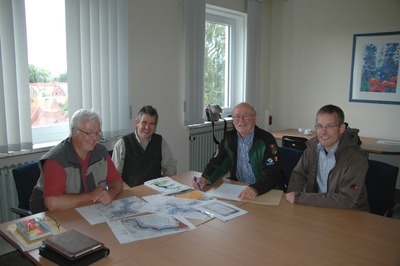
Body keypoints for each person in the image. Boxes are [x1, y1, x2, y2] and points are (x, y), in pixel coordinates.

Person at [29, 109, 123, 213]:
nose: (96, 138)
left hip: (85, 210)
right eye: (90, 133)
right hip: (51, 216)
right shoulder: (56, 160)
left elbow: (117, 181)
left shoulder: (101, 152)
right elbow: (52, 203)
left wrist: (111, 194)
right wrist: (91, 196)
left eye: (98, 132)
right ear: (74, 132)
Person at [286, 104, 369, 211]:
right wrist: (294, 204)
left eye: (330, 126)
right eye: (319, 126)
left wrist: (301, 198)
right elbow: (298, 174)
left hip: (348, 213)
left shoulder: (355, 158)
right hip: (317, 208)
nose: (323, 132)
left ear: (341, 128)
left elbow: (346, 200)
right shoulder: (313, 149)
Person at [192, 102, 280, 201]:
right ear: (233, 121)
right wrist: (205, 177)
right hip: (238, 190)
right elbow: (217, 162)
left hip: (264, 192)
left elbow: (273, 173)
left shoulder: (266, 140)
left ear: (254, 118)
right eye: (237, 116)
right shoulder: (230, 138)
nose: (241, 120)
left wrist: (256, 189)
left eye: (245, 116)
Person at [112, 105, 177, 189]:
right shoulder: (122, 144)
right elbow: (115, 178)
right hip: (131, 193)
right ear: (136, 123)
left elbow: (170, 168)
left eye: (151, 124)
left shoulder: (160, 141)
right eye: (144, 122)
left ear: (155, 127)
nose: (147, 127)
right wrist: (131, 193)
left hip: (156, 192)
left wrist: (164, 186)